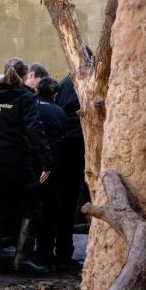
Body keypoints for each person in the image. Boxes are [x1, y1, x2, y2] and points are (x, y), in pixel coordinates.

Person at [0, 58, 52, 275]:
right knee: (33, 205)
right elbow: (34, 130)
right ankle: (23, 259)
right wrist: (47, 160)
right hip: (14, 159)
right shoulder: (24, 99)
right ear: (24, 77)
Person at [31, 77, 67, 269]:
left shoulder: (28, 106)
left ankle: (27, 254)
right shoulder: (58, 112)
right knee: (50, 211)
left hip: (28, 165)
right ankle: (45, 254)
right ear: (55, 94)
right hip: (50, 168)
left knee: (30, 209)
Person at [55, 73, 86, 272]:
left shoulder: (64, 83)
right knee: (72, 199)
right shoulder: (85, 81)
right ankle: (65, 253)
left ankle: (60, 251)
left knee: (60, 201)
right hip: (78, 144)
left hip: (61, 143)